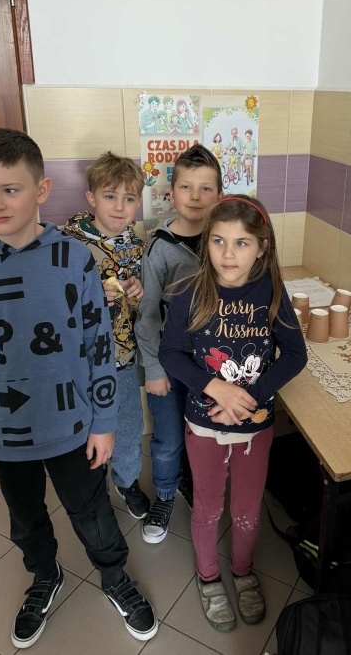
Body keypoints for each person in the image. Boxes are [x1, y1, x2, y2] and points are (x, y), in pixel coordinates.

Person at [0, 129, 157, 647]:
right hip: (2, 432)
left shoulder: (74, 259)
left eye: (10, 189)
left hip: (73, 427)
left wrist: (104, 422)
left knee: (93, 513)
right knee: (25, 518)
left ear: (41, 190)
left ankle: (114, 576)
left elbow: (99, 347)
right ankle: (45, 575)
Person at [158, 195, 307, 631]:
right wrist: (215, 388)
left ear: (262, 247)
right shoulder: (189, 292)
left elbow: (294, 354)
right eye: (218, 241)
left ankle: (242, 572)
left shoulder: (272, 293)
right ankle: (208, 578)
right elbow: (170, 352)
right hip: (204, 425)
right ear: (206, 242)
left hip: (254, 427)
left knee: (246, 510)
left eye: (242, 243)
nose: (228, 254)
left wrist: (250, 397)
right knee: (207, 508)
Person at [135, 144, 222, 544]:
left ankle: (199, 490)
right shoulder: (160, 246)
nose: (195, 196)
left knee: (205, 436)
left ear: (220, 195)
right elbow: (148, 315)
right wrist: (153, 369)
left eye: (206, 188)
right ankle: (166, 494)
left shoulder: (226, 242)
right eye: (186, 187)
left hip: (214, 366)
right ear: (171, 193)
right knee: (168, 438)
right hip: (170, 365)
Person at [62, 151, 149, 522]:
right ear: (91, 198)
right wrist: (90, 294)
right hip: (80, 362)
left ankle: (126, 481)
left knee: (128, 426)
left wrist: (139, 291)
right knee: (85, 431)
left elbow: (146, 304)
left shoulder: (137, 245)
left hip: (123, 357)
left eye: (128, 198)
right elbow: (52, 302)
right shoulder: (67, 244)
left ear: (137, 203)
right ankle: (93, 490)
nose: (119, 207)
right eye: (110, 196)